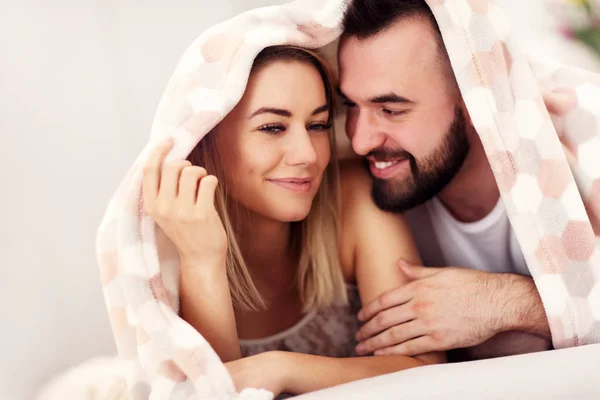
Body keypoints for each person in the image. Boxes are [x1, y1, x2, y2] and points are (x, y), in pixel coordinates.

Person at [141, 45, 444, 397]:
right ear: (203, 138)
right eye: (272, 127)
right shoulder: (160, 258)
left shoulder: (353, 198)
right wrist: (202, 260)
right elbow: (216, 394)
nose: (308, 155)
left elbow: (425, 369)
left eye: (318, 125)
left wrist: (279, 368)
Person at [337, 0, 552, 361]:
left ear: (475, 101)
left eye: (391, 110)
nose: (360, 142)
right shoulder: (364, 189)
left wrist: (510, 302)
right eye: (351, 106)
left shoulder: (576, 158)